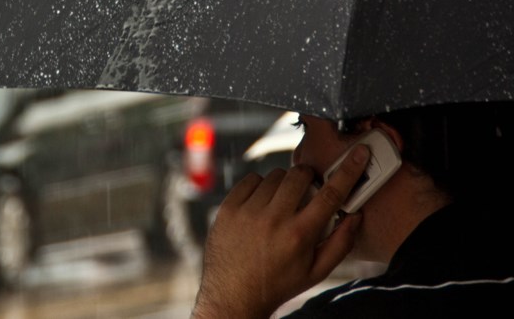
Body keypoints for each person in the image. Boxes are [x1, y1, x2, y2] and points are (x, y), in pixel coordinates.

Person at [191, 102, 514, 318]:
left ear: (375, 146)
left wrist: (228, 304)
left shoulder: (366, 310)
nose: (298, 158)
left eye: (303, 126)